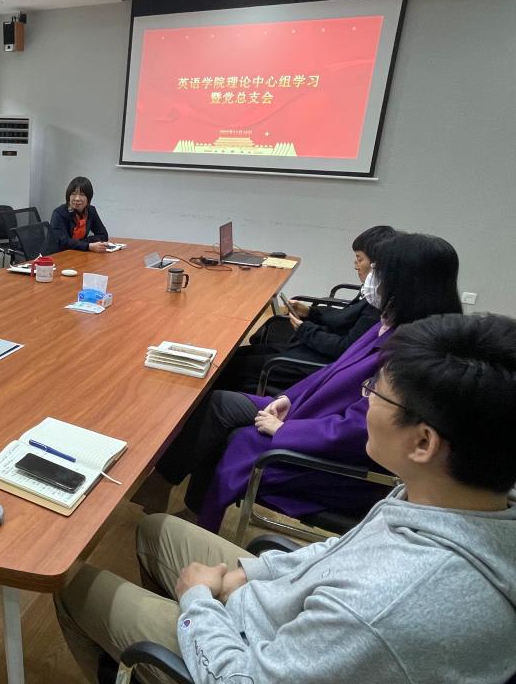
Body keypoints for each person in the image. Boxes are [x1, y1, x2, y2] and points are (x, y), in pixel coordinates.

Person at [56, 312, 516, 684]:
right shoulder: (446, 500)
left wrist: (196, 601)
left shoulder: (382, 607)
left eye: (376, 394)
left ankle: (161, 660)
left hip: (248, 656)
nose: (365, 401)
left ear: (423, 442)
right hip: (276, 614)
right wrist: (248, 573)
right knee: (155, 529)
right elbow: (335, 554)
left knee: (72, 587)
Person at [155, 232, 462, 532]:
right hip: (310, 411)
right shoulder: (391, 324)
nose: (372, 279)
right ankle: (162, 487)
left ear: (408, 283)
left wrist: (286, 430)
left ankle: (197, 520)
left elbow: (360, 430)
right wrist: (288, 398)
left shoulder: (415, 356)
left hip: (334, 460)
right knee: (220, 404)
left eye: (381, 273)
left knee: (234, 438)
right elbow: (333, 370)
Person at [215, 225, 396, 392]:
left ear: (377, 265)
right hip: (312, 346)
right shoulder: (375, 292)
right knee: (233, 357)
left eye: (359, 259)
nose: (355, 265)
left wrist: (305, 329)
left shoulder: (376, 305)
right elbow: (345, 318)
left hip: (316, 363)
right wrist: (311, 313)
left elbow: (344, 348)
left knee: (227, 367)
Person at [50, 176, 109, 252]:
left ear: (88, 197)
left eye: (82, 194)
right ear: (68, 196)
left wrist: (84, 243)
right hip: (57, 254)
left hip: (77, 252)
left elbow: (103, 235)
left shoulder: (91, 211)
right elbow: (63, 242)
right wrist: (87, 246)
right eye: (73, 194)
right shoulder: (59, 213)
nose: (77, 198)